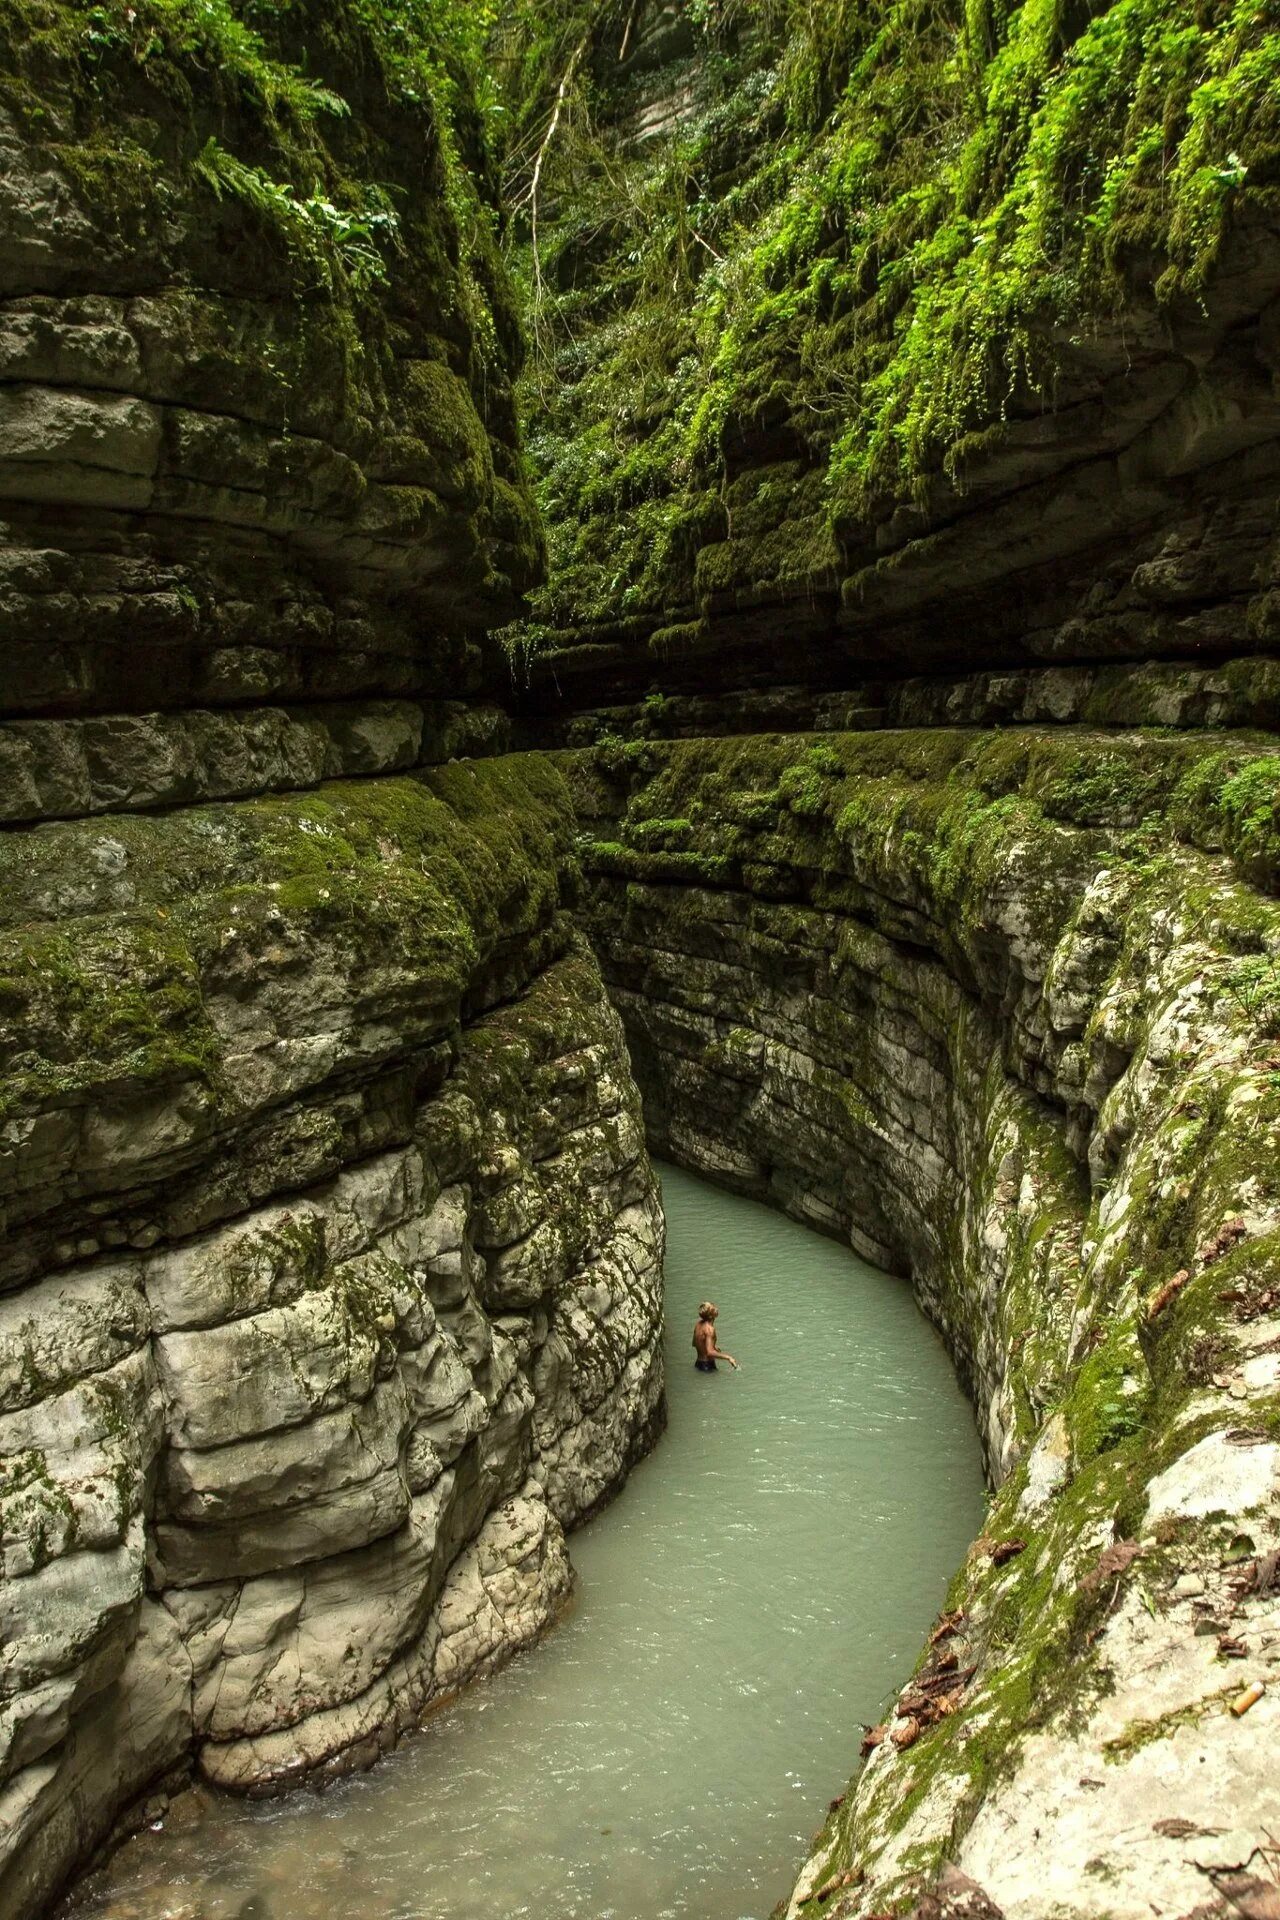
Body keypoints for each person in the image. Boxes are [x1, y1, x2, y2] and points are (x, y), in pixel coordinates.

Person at [692, 1301, 739, 1373]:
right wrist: (728, 1357)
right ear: (711, 1315)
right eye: (714, 1309)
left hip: (698, 1363)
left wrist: (712, 1346)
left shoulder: (698, 1324)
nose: (717, 1309)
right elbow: (710, 1352)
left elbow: (695, 1343)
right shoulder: (710, 1330)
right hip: (707, 1366)